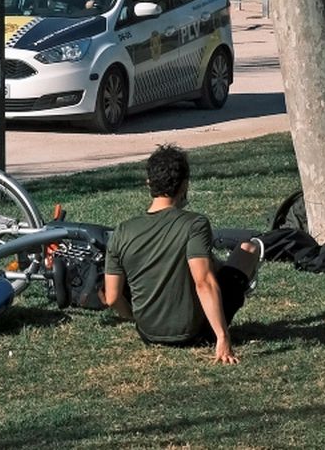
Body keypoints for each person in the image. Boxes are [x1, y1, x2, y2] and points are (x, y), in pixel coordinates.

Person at [102, 144, 264, 364]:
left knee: (210, 266)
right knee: (248, 249)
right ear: (185, 184)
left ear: (148, 183)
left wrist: (134, 317)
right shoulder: (194, 224)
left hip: (148, 334)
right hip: (195, 334)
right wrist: (223, 337)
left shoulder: (122, 230)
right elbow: (203, 282)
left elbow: (111, 297)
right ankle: (244, 283)